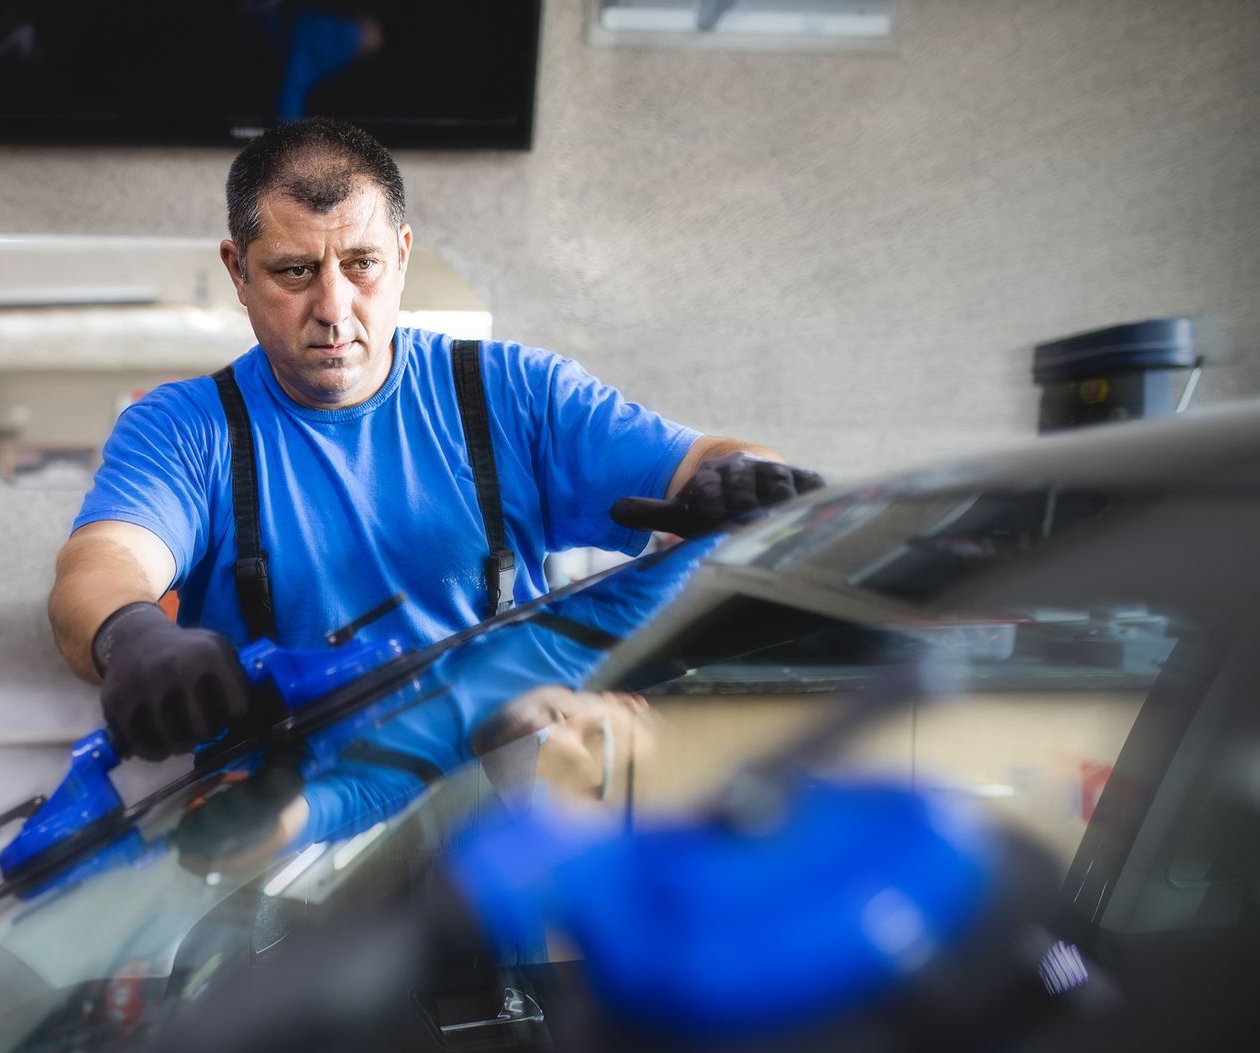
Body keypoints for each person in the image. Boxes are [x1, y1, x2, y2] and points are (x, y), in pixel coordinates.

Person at [50, 117, 821, 761]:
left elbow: (708, 461)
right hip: (276, 840)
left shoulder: (517, 393)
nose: (334, 308)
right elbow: (103, 563)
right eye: (294, 271)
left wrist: (745, 477)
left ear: (403, 255)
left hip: (490, 810)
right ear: (238, 271)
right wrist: (131, 635)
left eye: (362, 264)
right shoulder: (186, 429)